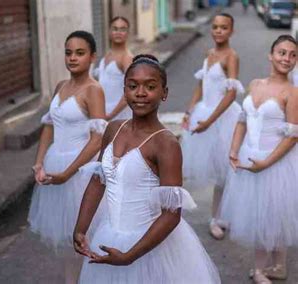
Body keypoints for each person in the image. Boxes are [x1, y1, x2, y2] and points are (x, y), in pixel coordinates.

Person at [73, 54, 221, 284]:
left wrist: (130, 256)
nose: (140, 93)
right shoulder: (113, 129)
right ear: (125, 91)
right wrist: (81, 228)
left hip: (148, 246)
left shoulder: (166, 144)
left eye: (150, 86)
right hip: (110, 235)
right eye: (133, 86)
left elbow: (171, 214)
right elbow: (97, 181)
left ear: (164, 93)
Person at [28, 31, 107, 283]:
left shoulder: (94, 90)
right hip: (55, 163)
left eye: (80, 53)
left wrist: (68, 172)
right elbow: (49, 125)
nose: (73, 58)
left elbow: (97, 139)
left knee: (85, 236)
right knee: (65, 240)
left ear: (92, 57)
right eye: (68, 52)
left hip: (79, 171)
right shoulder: (61, 86)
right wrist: (39, 162)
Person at [220, 35, 298, 284]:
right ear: (271, 55)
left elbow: (293, 136)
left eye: (293, 55)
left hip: (276, 161)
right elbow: (243, 120)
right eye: (282, 52)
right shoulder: (255, 84)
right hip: (249, 155)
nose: (287, 58)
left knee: (271, 215)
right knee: (267, 214)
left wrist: (266, 163)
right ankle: (279, 266)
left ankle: (260, 270)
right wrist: (233, 150)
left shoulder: (292, 93)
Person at [181, 13, 244, 240]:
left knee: (224, 174)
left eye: (224, 27)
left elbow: (231, 92)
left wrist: (210, 121)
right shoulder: (209, 54)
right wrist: (189, 111)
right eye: (215, 27)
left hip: (223, 117)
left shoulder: (231, 56)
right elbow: (201, 85)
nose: (218, 31)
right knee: (213, 172)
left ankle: (218, 218)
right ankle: (217, 215)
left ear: (231, 31)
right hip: (204, 111)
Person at [94, 16, 133, 121]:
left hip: (119, 117)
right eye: (115, 29)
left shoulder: (126, 58)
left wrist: (111, 115)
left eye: (122, 29)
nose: (118, 32)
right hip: (103, 114)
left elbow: (130, 92)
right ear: (109, 32)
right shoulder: (107, 55)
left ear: (128, 33)